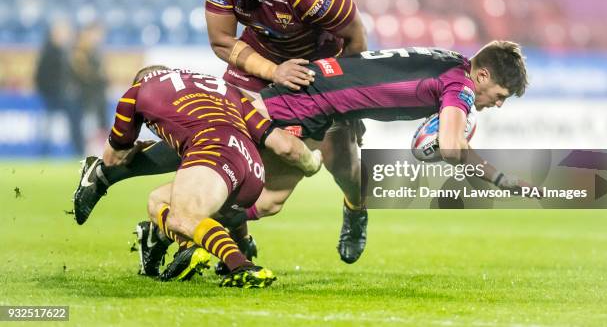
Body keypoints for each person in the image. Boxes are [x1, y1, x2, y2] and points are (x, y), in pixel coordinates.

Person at [73, 0, 370, 265]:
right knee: (216, 131)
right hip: (259, 61)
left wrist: (350, 103)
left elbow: (355, 41)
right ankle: (110, 175)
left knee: (339, 163)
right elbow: (221, 41)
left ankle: (355, 210)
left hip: (314, 75)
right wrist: (274, 70)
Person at [153, 40, 536, 278]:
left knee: (268, 200)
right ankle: (171, 218)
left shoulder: (451, 60)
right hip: (303, 102)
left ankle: (182, 225)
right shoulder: (463, 85)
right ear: (483, 75)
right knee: (215, 155)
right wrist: (500, 179)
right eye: (500, 95)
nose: (498, 104)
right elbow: (452, 146)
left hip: (321, 101)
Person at [99, 65, 322, 288]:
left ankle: (240, 266)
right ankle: (201, 246)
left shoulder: (139, 91)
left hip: (214, 152)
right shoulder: (227, 90)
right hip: (253, 171)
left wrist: (136, 148)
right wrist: (312, 163)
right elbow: (281, 143)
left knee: (181, 217)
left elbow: (112, 159)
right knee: (158, 201)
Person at [35, 20, 84, 156]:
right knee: (74, 112)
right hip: (52, 96)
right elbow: (40, 77)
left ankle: (78, 148)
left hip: (62, 95)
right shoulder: (49, 53)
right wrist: (54, 90)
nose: (65, 37)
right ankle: (78, 149)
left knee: (76, 108)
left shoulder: (64, 52)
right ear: (54, 35)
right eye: (62, 34)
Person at [72, 22, 108, 140]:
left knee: (98, 121)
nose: (99, 37)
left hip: (96, 93)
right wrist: (99, 78)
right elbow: (83, 73)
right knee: (88, 123)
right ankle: (86, 147)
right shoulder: (80, 51)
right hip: (86, 93)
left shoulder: (94, 50)